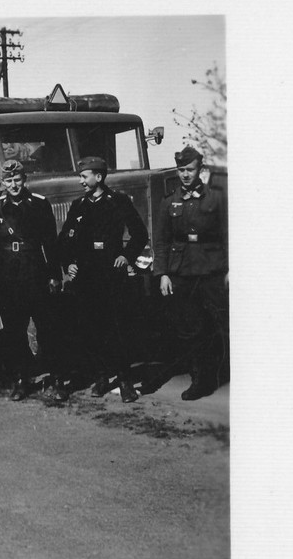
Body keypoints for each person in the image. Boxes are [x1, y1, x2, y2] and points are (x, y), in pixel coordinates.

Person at [58, 156, 148, 403]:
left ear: (99, 177)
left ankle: (124, 380)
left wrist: (126, 256)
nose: (81, 181)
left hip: (111, 274)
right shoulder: (78, 205)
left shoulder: (118, 202)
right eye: (81, 177)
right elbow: (65, 239)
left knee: (117, 329)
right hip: (87, 277)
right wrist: (69, 263)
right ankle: (100, 377)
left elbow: (140, 234)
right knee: (91, 329)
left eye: (84, 176)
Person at [153, 145, 229, 400]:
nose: (185, 174)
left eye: (190, 169)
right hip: (182, 272)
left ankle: (217, 374)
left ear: (200, 170)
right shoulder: (168, 201)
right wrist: (162, 273)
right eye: (181, 170)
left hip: (211, 270)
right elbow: (161, 240)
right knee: (190, 327)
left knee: (218, 325)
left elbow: (227, 235)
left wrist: (230, 269)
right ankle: (201, 380)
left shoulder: (215, 198)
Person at [0, 160, 67, 402]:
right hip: (9, 275)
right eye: (9, 181)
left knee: (47, 328)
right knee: (14, 330)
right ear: (2, 182)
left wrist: (54, 274)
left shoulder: (40, 204)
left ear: (25, 179)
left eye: (17, 179)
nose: (14, 185)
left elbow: (50, 242)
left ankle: (56, 378)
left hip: (35, 271)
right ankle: (22, 379)